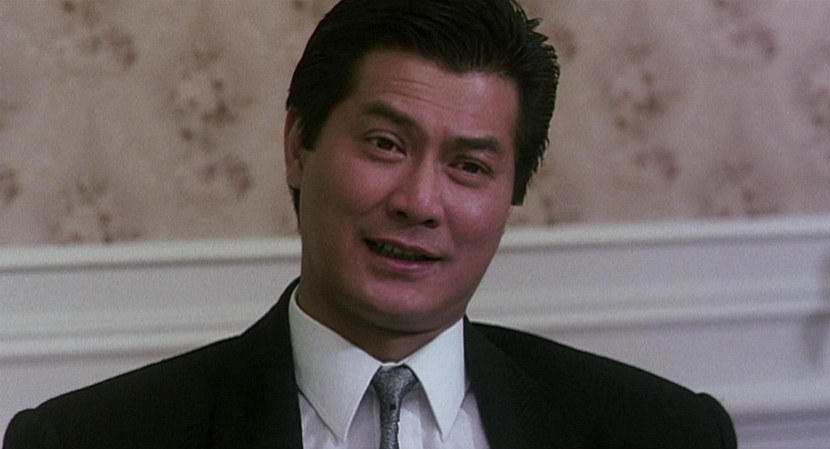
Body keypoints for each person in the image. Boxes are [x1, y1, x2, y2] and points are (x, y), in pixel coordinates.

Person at [4, 0, 737, 448]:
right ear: (298, 145)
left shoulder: (662, 432)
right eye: (386, 144)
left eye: (469, 165)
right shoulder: (88, 439)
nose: (420, 201)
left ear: (513, 192)